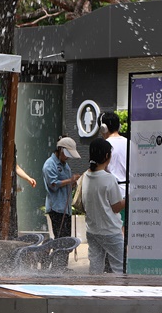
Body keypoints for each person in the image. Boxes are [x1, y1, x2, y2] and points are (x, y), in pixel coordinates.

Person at [81, 138, 126, 274]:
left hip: (92, 230)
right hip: (110, 231)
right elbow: (116, 207)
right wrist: (130, 198)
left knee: (95, 268)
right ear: (107, 156)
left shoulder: (85, 176)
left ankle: (94, 287)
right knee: (119, 267)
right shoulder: (109, 178)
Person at [41, 136, 80, 269]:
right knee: (60, 239)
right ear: (60, 150)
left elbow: (65, 184)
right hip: (56, 208)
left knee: (66, 239)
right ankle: (56, 266)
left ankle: (62, 266)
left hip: (65, 207)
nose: (68, 157)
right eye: (67, 154)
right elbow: (53, 184)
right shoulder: (50, 165)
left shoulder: (65, 165)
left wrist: (72, 184)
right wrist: (70, 180)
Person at [101, 111, 128, 218]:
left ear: (103, 128)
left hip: (113, 198)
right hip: (131, 194)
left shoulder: (105, 146)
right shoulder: (130, 144)